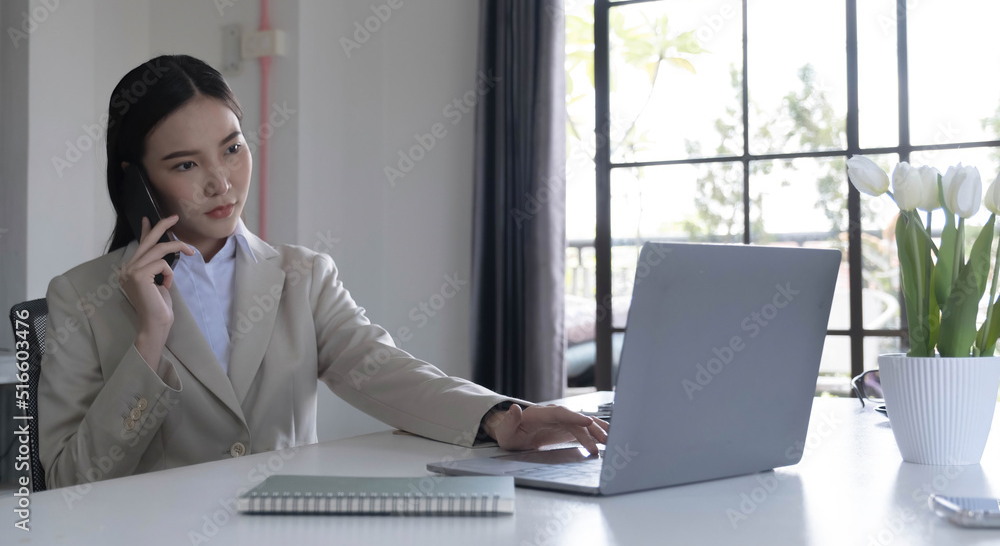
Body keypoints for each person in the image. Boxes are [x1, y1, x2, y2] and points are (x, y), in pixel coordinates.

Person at [38, 54, 608, 490]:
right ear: (136, 179)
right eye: (186, 164)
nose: (221, 182)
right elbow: (69, 480)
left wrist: (503, 416)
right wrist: (149, 341)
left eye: (232, 149)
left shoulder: (303, 276)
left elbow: (385, 372)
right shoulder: (79, 297)